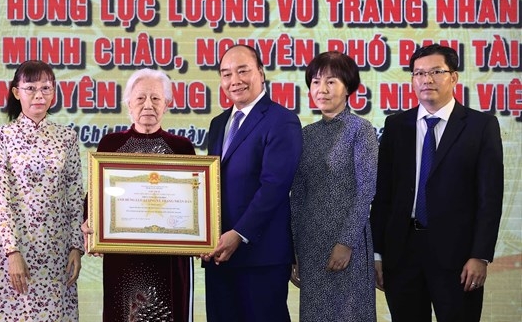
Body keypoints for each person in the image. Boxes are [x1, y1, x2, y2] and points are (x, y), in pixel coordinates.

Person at [370, 44, 504, 322]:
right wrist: (378, 254)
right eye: (419, 73)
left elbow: (489, 198)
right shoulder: (396, 126)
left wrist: (480, 255)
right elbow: (383, 195)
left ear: (453, 77)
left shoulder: (480, 126)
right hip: (402, 253)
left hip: (458, 257)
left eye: (436, 72)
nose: (426, 79)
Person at [82, 68, 196, 322]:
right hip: (123, 259)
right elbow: (95, 197)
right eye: (140, 98)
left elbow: (193, 205)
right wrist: (92, 223)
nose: (148, 105)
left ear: (167, 104)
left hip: (170, 260)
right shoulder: (110, 145)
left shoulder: (182, 148)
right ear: (128, 104)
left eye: (156, 98)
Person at [202, 45, 302, 322]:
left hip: (261, 256)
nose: (235, 80)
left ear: (261, 72)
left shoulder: (282, 120)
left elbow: (275, 186)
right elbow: (211, 184)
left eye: (243, 70)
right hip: (219, 253)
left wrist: (239, 233)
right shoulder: (218, 123)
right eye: (226, 74)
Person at [0, 60, 84, 321]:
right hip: (18, 248)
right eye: (30, 88)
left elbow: (74, 195)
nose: (39, 95)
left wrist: (76, 246)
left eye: (46, 88)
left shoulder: (67, 138)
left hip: (57, 250)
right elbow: (1, 199)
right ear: (17, 92)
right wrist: (12, 252)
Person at [290, 51, 378, 321]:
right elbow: (297, 196)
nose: (322, 89)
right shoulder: (305, 134)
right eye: (316, 82)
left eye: (331, 82)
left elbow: (366, 191)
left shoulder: (360, 130)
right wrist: (294, 250)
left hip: (348, 244)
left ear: (348, 87)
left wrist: (346, 242)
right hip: (310, 244)